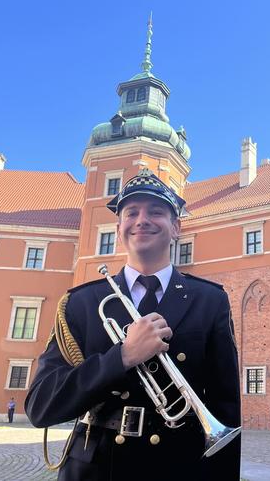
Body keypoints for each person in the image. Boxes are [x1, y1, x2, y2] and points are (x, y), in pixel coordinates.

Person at [25, 168, 241, 480]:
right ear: (119, 227)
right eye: (131, 213)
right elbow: (41, 406)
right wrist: (123, 356)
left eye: (156, 212)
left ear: (176, 227)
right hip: (96, 467)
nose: (142, 220)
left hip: (179, 466)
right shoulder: (80, 303)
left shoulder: (210, 300)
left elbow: (225, 409)